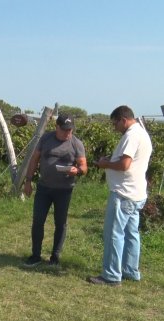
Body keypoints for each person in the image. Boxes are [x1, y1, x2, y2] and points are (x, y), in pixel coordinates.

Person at [88, 105, 152, 287]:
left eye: (115, 123)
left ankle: (111, 275)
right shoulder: (142, 133)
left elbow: (125, 165)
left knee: (114, 234)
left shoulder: (131, 135)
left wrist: (105, 164)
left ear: (123, 120)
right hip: (137, 192)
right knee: (132, 234)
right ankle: (131, 271)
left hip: (124, 193)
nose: (114, 127)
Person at [23, 113, 87, 267]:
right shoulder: (46, 139)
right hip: (44, 188)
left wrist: (76, 171)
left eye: (70, 130)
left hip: (64, 190)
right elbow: (34, 159)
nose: (68, 133)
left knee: (60, 223)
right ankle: (36, 256)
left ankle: (55, 257)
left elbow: (84, 167)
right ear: (56, 127)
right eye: (64, 130)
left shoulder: (76, 144)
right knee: (38, 221)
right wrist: (28, 181)